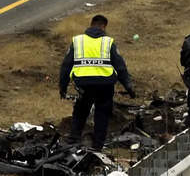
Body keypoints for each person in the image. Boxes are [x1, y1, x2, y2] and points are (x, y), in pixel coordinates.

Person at [58, 15, 135, 148]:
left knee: (80, 111)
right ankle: (98, 145)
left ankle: (74, 140)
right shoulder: (108, 42)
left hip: (84, 84)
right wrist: (129, 87)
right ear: (104, 26)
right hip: (104, 85)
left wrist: (63, 87)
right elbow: (120, 67)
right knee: (102, 115)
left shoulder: (78, 41)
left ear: (91, 24)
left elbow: (66, 65)